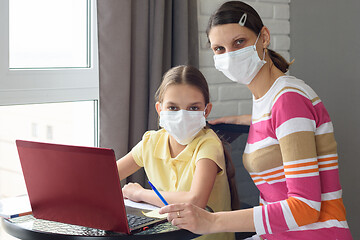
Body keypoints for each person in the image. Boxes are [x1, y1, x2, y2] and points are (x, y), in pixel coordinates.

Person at [159, 1, 353, 239]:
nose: (230, 55)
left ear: (264, 37)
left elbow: (306, 207)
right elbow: (279, 125)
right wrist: (238, 120)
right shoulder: (267, 99)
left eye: (239, 42)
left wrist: (211, 221)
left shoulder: (287, 98)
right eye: (219, 49)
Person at [116, 65, 236, 240]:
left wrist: (140, 194)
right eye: (172, 108)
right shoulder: (151, 142)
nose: (182, 116)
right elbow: (106, 177)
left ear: (206, 110)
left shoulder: (208, 144)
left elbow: (195, 201)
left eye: (193, 108)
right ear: (160, 109)